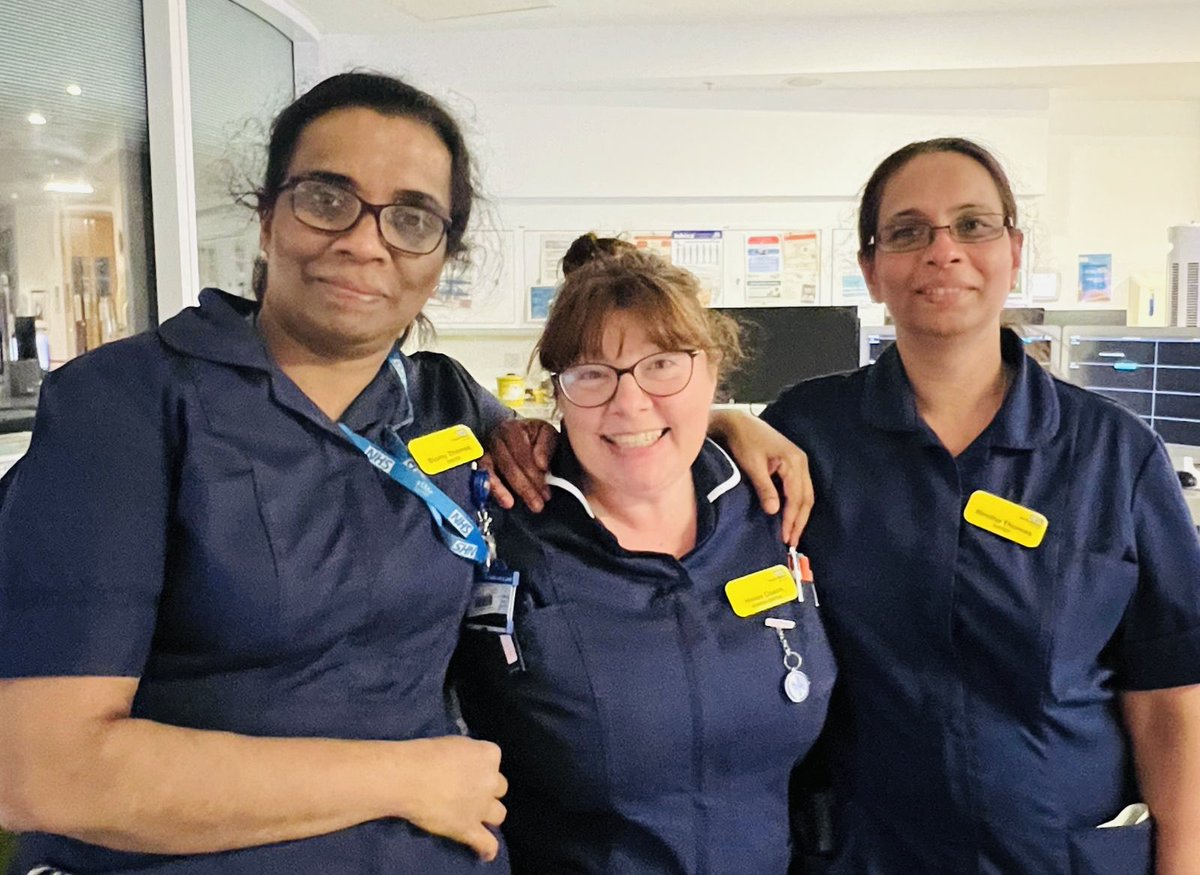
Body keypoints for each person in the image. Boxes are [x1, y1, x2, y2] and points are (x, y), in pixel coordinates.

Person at [0, 72, 513, 873]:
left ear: (443, 254)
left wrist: (734, 431)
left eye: (411, 218)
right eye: (326, 197)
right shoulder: (125, 405)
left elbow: (621, 433)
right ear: (268, 217)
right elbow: (46, 773)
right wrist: (406, 776)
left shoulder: (447, 406)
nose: (364, 240)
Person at [760, 138, 1200, 874]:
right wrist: (720, 421)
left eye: (972, 225)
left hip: (1059, 852)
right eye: (908, 231)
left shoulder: (1114, 456)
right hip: (867, 851)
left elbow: (1169, 695)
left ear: (1013, 249)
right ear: (871, 269)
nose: (943, 251)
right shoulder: (806, 433)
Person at [456, 234, 834, 873]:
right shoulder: (502, 534)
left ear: (711, 371)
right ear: (559, 391)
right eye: (592, 374)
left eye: (663, 364)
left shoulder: (773, 510)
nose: (629, 403)